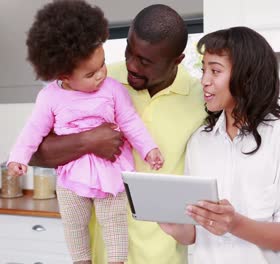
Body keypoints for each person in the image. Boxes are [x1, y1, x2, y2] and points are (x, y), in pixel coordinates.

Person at [29, 4, 206, 264]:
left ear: (177, 60)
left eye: (145, 61)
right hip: (102, 254)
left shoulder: (200, 99)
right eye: (129, 51)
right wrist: (89, 140)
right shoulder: (95, 78)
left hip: (164, 256)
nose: (132, 65)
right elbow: (32, 152)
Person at [8, 1, 165, 264]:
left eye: (103, 64)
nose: (101, 74)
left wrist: (149, 149)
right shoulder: (49, 97)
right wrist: (18, 158)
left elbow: (131, 122)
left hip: (110, 171)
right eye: (91, 73)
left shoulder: (113, 89)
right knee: (73, 225)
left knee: (114, 224)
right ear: (64, 76)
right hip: (71, 176)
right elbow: (33, 131)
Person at [159, 26, 280, 264]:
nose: (204, 81)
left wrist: (235, 223)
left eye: (215, 71)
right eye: (203, 69)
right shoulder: (199, 141)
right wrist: (175, 225)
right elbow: (194, 234)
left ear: (246, 75)